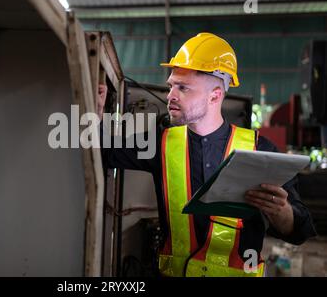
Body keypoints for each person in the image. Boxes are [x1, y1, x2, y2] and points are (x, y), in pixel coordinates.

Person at [98, 32, 316, 277]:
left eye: (183, 88)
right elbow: (103, 152)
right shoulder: (161, 142)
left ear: (215, 95)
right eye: (171, 86)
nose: (170, 95)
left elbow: (300, 231)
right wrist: (94, 112)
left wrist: (281, 211)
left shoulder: (260, 150)